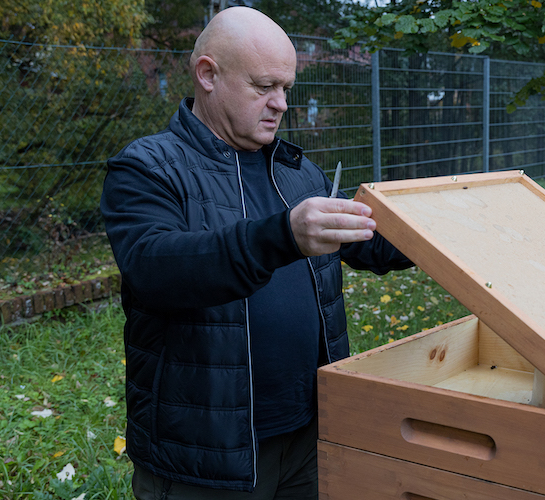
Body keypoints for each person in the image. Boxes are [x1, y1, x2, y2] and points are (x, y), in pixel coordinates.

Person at [100, 7, 411, 499]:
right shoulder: (148, 168)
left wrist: (441, 236)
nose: (281, 103)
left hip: (310, 434)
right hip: (206, 459)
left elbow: (364, 241)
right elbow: (155, 267)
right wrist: (282, 236)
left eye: (286, 88)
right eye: (265, 86)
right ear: (208, 74)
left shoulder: (296, 171)